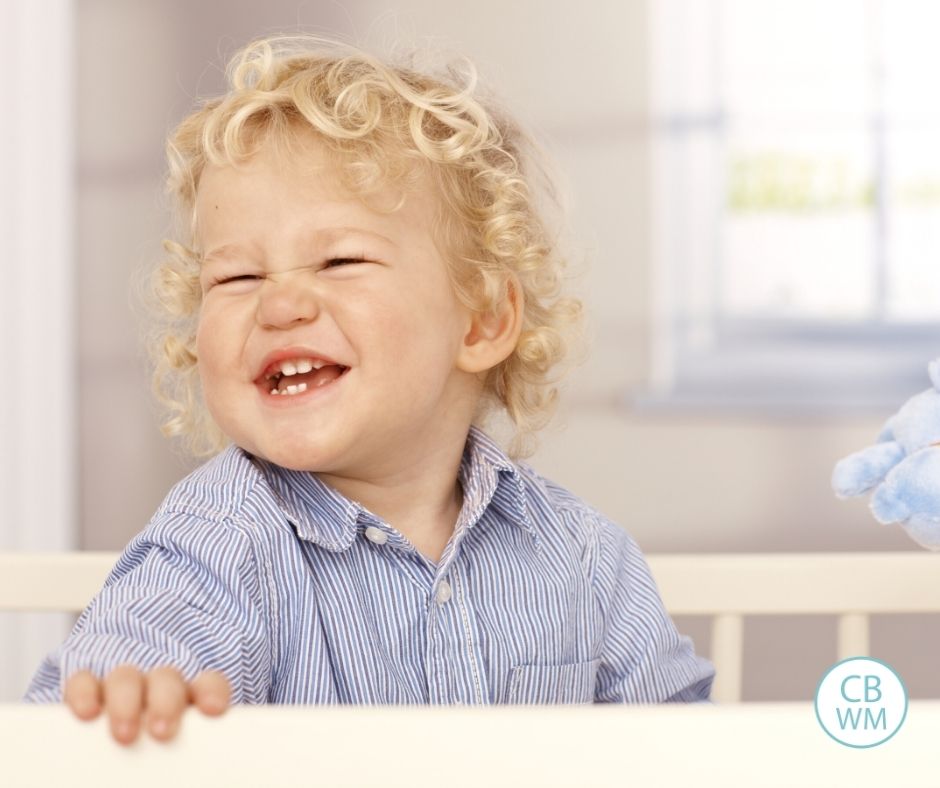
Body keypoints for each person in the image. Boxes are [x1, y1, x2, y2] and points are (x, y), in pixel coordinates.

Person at [23, 33, 714, 744]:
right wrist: (130, 693)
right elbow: (151, 633)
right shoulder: (223, 540)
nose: (279, 304)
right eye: (236, 277)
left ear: (480, 322)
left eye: (340, 259)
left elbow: (688, 744)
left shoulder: (581, 554)